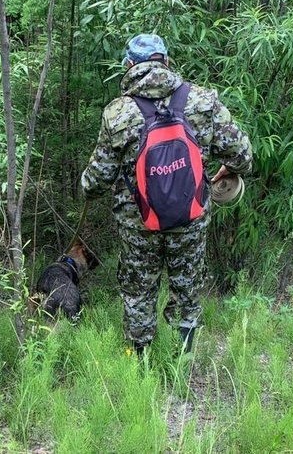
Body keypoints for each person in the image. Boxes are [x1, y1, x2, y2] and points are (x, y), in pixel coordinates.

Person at [81, 33, 253, 356]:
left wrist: (87, 183)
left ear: (129, 67)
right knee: (187, 291)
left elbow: (95, 183)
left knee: (138, 293)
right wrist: (224, 174)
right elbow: (243, 155)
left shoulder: (117, 114)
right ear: (168, 63)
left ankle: (141, 369)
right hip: (190, 218)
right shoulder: (202, 101)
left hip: (138, 225)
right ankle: (181, 366)